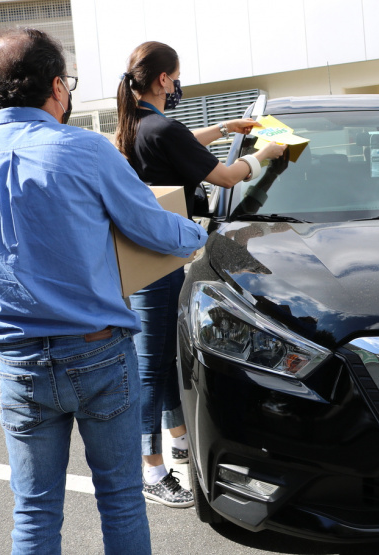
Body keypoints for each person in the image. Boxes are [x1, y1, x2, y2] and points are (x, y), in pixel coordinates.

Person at [0, 28, 208, 554]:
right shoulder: (85, 149)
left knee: (34, 511)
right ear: (57, 87)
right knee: (119, 499)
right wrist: (200, 234)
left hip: (18, 360)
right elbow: (154, 229)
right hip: (98, 351)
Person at [115, 41, 287, 508]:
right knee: (151, 367)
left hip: (145, 259)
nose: (178, 85)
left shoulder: (137, 127)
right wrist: (266, 153)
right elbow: (227, 177)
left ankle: (176, 447)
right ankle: (150, 470)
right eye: (176, 76)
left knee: (166, 360)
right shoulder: (162, 127)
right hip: (158, 260)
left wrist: (228, 127)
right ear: (164, 79)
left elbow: (181, 143)